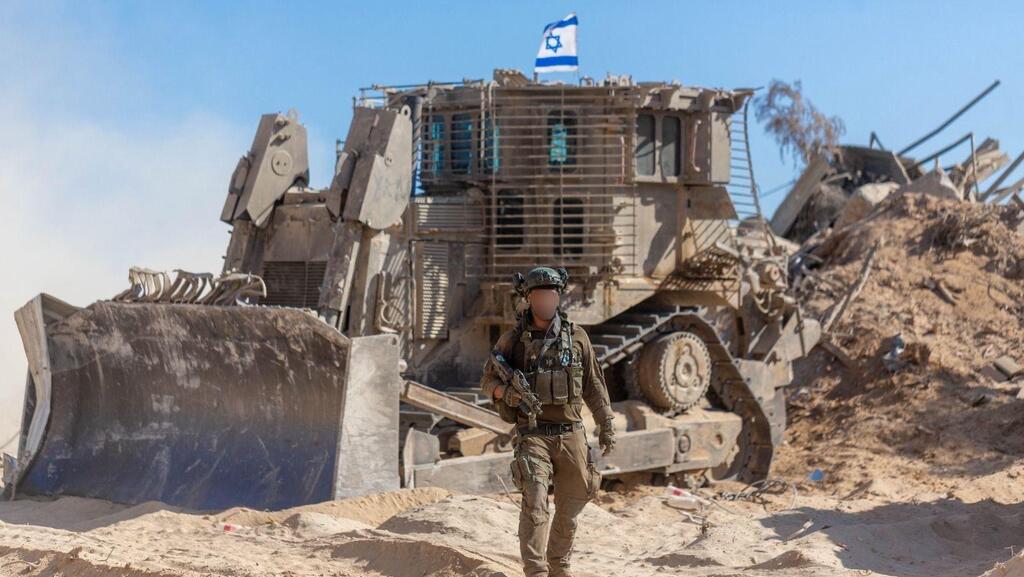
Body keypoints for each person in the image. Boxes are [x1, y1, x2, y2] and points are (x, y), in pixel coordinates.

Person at [480, 266, 616, 577]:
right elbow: (487, 381)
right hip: (533, 435)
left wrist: (606, 423)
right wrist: (507, 394)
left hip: (571, 435)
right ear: (529, 299)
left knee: (570, 508)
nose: (546, 300)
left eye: (551, 295)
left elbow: (594, 385)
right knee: (536, 502)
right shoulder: (512, 340)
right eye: (539, 295)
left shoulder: (577, 337)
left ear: (557, 297)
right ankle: (537, 571)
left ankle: (560, 566)